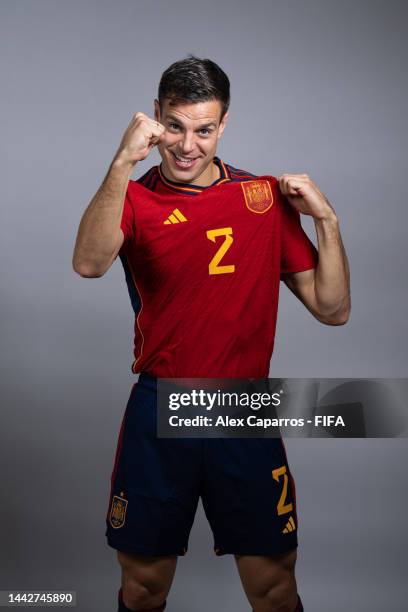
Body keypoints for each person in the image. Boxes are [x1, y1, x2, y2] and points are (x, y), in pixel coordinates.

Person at [72, 55, 350, 612]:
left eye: (203, 129)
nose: (186, 145)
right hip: (161, 407)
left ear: (224, 125)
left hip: (240, 410)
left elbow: (332, 307)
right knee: (142, 588)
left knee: (273, 589)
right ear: (155, 117)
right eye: (174, 126)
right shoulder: (132, 198)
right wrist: (122, 162)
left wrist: (328, 222)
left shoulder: (263, 200)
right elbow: (88, 262)